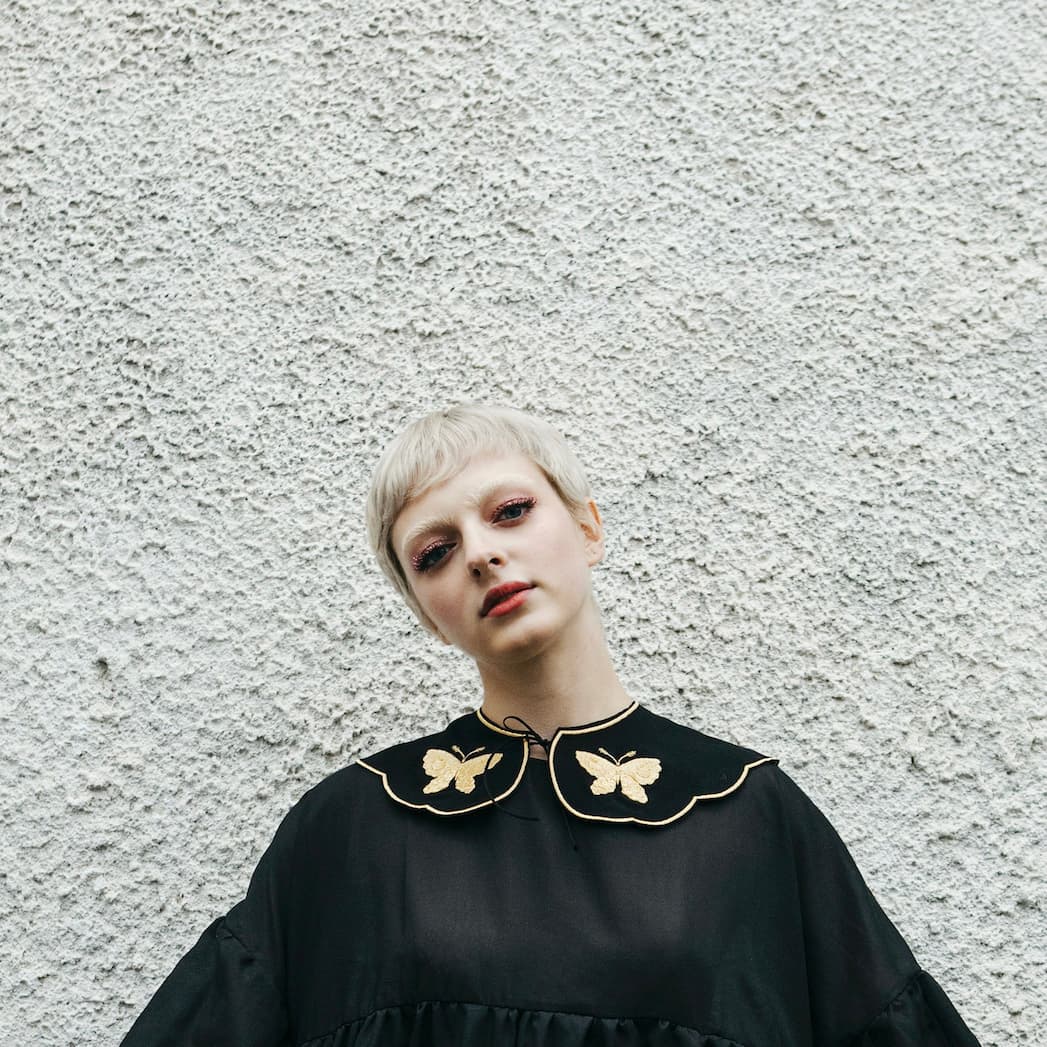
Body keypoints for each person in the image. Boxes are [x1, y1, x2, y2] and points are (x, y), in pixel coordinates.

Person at [120, 403, 982, 1046]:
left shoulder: (747, 816)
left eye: (508, 512)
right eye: (434, 550)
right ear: (427, 611)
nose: (483, 553)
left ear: (585, 526)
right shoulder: (350, 831)